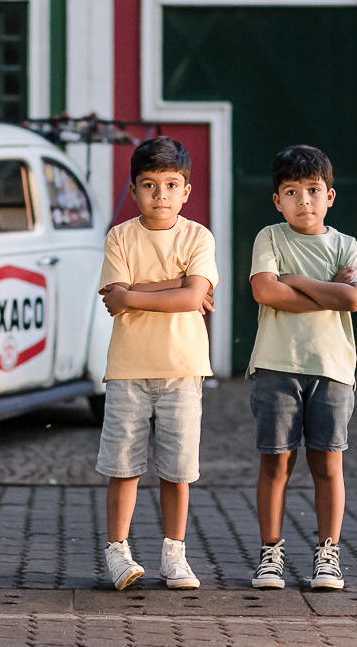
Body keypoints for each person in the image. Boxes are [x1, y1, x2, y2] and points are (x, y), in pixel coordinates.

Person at [96, 136, 219, 590]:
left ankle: (174, 555)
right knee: (122, 466)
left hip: (183, 370)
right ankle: (117, 553)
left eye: (171, 185)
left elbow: (191, 299)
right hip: (128, 369)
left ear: (186, 191)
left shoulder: (197, 236)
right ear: (133, 189)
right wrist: (176, 285)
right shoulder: (120, 236)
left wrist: (137, 292)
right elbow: (115, 301)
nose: (160, 195)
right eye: (149, 185)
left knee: (177, 469)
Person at [247, 145, 357, 592]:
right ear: (277, 200)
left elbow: (353, 299)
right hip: (275, 367)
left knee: (327, 465)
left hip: (332, 370)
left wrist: (294, 281)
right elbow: (265, 292)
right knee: (275, 465)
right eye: (292, 192)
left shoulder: (345, 245)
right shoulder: (270, 238)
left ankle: (327, 556)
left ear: (329, 196)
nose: (304, 201)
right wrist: (322, 291)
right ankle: (270, 554)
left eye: (314, 191)